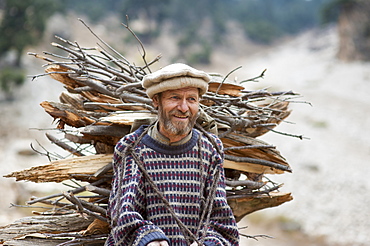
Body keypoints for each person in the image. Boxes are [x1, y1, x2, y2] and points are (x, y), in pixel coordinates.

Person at [105, 63, 240, 246]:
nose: (184, 108)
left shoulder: (210, 149)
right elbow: (123, 215)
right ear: (156, 101)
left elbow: (223, 225)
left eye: (191, 99)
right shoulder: (132, 148)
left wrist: (207, 243)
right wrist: (149, 238)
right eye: (175, 98)